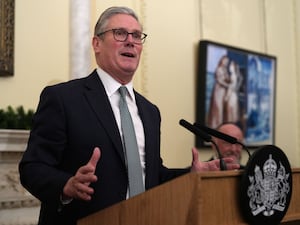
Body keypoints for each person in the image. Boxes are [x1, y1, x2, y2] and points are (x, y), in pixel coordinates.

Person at [19, 6, 239, 225]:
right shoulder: (63, 98)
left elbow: (151, 176)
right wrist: (66, 185)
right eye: (120, 33)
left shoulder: (150, 111)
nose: (131, 41)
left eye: (136, 36)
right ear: (97, 44)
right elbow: (32, 168)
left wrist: (190, 174)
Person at [207, 55, 231, 128]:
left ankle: (220, 125)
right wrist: (227, 85)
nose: (226, 63)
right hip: (218, 91)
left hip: (223, 91)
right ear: (222, 60)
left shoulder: (225, 70)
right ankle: (215, 124)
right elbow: (219, 80)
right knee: (217, 107)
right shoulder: (219, 69)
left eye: (227, 62)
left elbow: (227, 79)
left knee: (221, 108)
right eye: (225, 61)